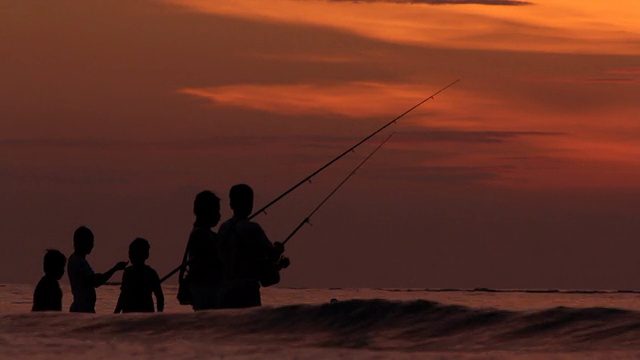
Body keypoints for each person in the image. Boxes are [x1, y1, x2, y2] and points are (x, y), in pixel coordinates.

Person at [218, 184, 285, 308]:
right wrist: (279, 249)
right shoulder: (252, 228)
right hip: (247, 291)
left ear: (231, 204)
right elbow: (271, 255)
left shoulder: (223, 228)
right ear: (250, 204)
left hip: (225, 290)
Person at [67, 226, 128, 313]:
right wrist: (114, 269)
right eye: (90, 242)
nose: (92, 245)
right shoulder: (78, 262)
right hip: (82, 310)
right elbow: (96, 281)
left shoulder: (76, 260)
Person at [180, 190, 223, 310]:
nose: (219, 215)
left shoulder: (202, 234)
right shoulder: (200, 235)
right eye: (216, 211)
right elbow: (217, 259)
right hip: (206, 292)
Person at [114, 238, 164, 313]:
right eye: (130, 253)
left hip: (145, 316)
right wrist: (116, 313)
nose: (131, 256)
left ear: (145, 255)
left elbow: (159, 297)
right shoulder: (127, 272)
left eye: (135, 253)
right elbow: (123, 295)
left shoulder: (150, 273)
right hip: (127, 315)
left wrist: (158, 316)